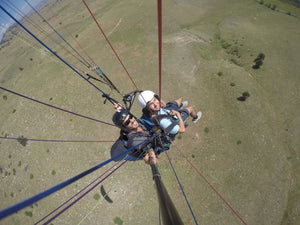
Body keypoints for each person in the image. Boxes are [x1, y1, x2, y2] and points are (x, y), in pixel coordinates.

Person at [137, 90, 201, 138]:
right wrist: (178, 114)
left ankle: (179, 106)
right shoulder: (164, 122)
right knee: (190, 109)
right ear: (147, 108)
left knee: (179, 100)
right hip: (174, 118)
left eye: (154, 99)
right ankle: (196, 117)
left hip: (166, 111)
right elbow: (182, 130)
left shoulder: (152, 111)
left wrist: (161, 101)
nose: (155, 104)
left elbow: (155, 99)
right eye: (151, 104)